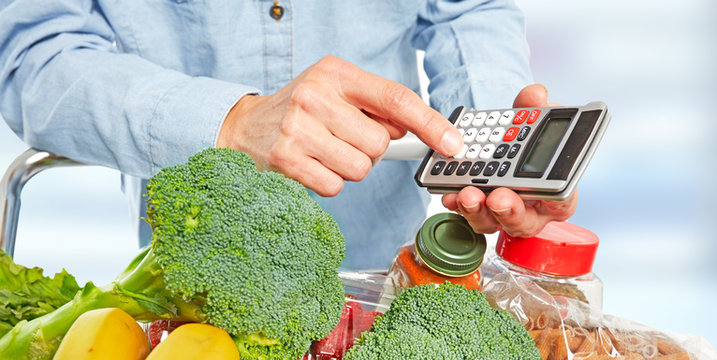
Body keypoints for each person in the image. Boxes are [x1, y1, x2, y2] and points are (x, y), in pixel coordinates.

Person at [0, 0, 577, 269]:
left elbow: (465, 9)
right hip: (195, 271)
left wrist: (492, 143)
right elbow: (35, 53)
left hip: (388, 263)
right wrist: (227, 121)